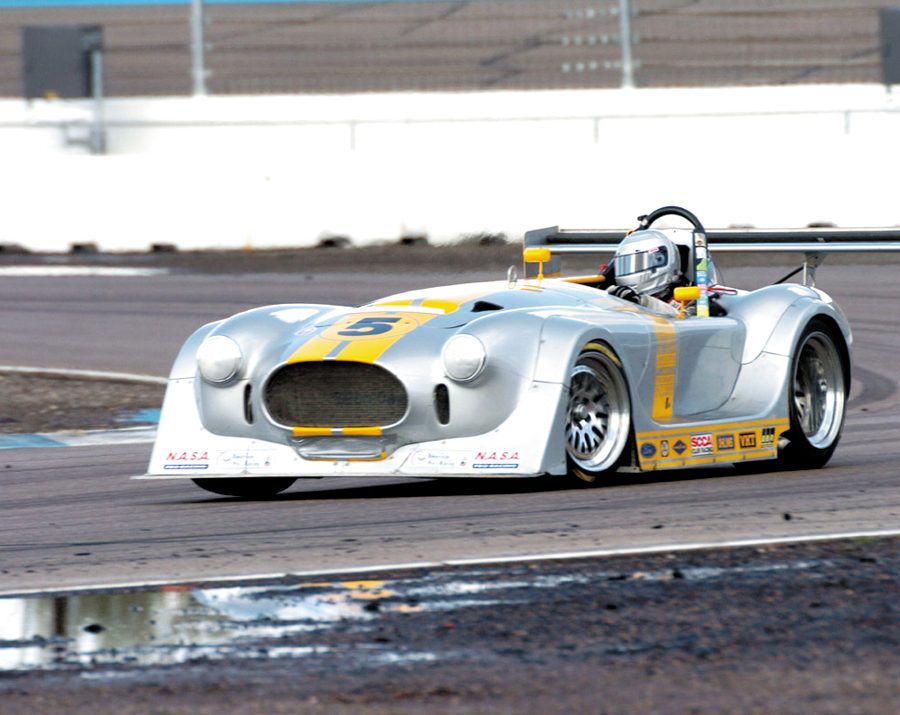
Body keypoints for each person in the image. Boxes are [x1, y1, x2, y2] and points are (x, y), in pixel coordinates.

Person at [606, 229, 685, 315]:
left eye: (639, 263)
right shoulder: (619, 293)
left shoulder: (687, 296)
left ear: (660, 259)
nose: (631, 270)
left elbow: (684, 318)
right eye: (626, 264)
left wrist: (642, 301)